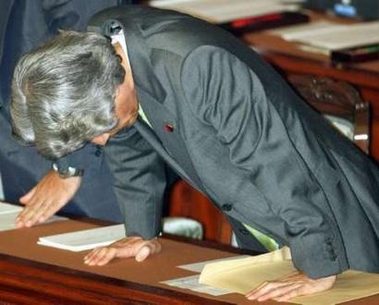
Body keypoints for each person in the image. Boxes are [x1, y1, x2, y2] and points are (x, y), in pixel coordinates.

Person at [10, 5, 379, 302]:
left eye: (101, 130)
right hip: (263, 220)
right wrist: (141, 231)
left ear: (115, 81)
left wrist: (318, 265)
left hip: (333, 220)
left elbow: (277, 164)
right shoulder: (103, 45)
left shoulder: (198, 64)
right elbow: (132, 141)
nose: (103, 143)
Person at [0, 0, 134, 223]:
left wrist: (71, 167)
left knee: (104, 252)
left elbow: (95, 60)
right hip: (21, 147)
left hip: (81, 159)